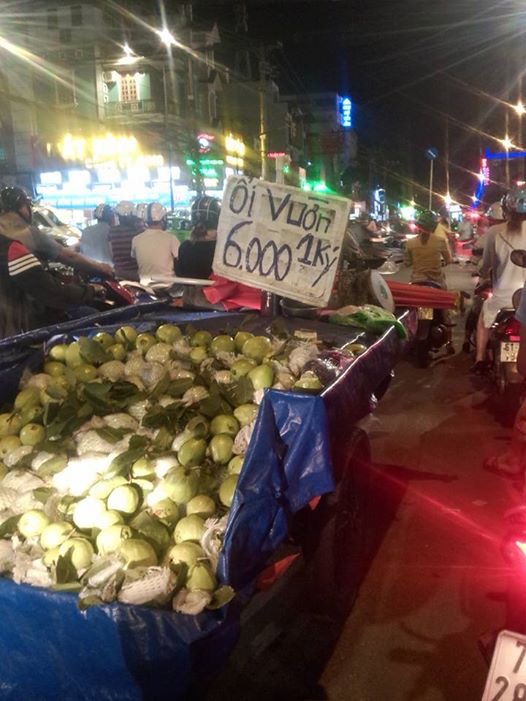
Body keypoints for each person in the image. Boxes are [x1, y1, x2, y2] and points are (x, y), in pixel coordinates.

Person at [0, 232, 100, 339]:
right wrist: (91, 291)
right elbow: (53, 293)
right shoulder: (10, 249)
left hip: (12, 334)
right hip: (23, 336)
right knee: (92, 316)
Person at [471, 186, 526, 374]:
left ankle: (480, 359)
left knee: (483, 318)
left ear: (506, 210)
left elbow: (486, 264)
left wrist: (482, 273)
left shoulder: (495, 232)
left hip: (503, 297)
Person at [0, 187, 113, 278]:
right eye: (27, 205)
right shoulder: (29, 233)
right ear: (21, 208)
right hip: (30, 296)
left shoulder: (88, 231)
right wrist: (101, 267)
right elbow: (69, 257)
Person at [131, 202, 180, 284]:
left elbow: (134, 258)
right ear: (163, 219)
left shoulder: (136, 239)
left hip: (144, 284)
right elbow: (179, 258)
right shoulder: (171, 238)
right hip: (168, 284)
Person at [176, 195, 220, 280]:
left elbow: (180, 273)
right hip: (215, 289)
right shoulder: (221, 251)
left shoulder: (184, 247)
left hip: (189, 289)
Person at [405, 210, 452, 286]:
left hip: (416, 280)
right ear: (434, 226)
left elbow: (407, 263)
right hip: (436, 281)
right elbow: (448, 260)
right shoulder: (440, 241)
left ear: (418, 225)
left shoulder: (410, 242)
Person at [108, 201, 144, 281]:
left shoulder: (111, 231)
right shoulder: (138, 231)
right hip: (135, 273)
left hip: (118, 273)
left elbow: (111, 254)